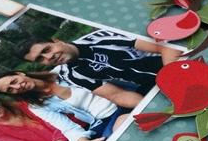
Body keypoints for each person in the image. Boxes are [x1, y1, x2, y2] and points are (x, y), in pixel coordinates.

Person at [0, 70, 130, 141]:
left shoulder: (62, 73)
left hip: (114, 107)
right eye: (10, 90)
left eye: (14, 81)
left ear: (19, 73)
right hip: (98, 121)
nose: (17, 87)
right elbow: (66, 127)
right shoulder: (36, 105)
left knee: (112, 136)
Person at [22, 29, 180, 106]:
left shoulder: (100, 37)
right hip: (152, 86)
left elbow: (165, 47)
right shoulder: (71, 75)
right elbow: (118, 96)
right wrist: (154, 107)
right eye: (40, 59)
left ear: (57, 41)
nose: (49, 57)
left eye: (47, 49)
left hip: (172, 66)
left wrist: (174, 79)